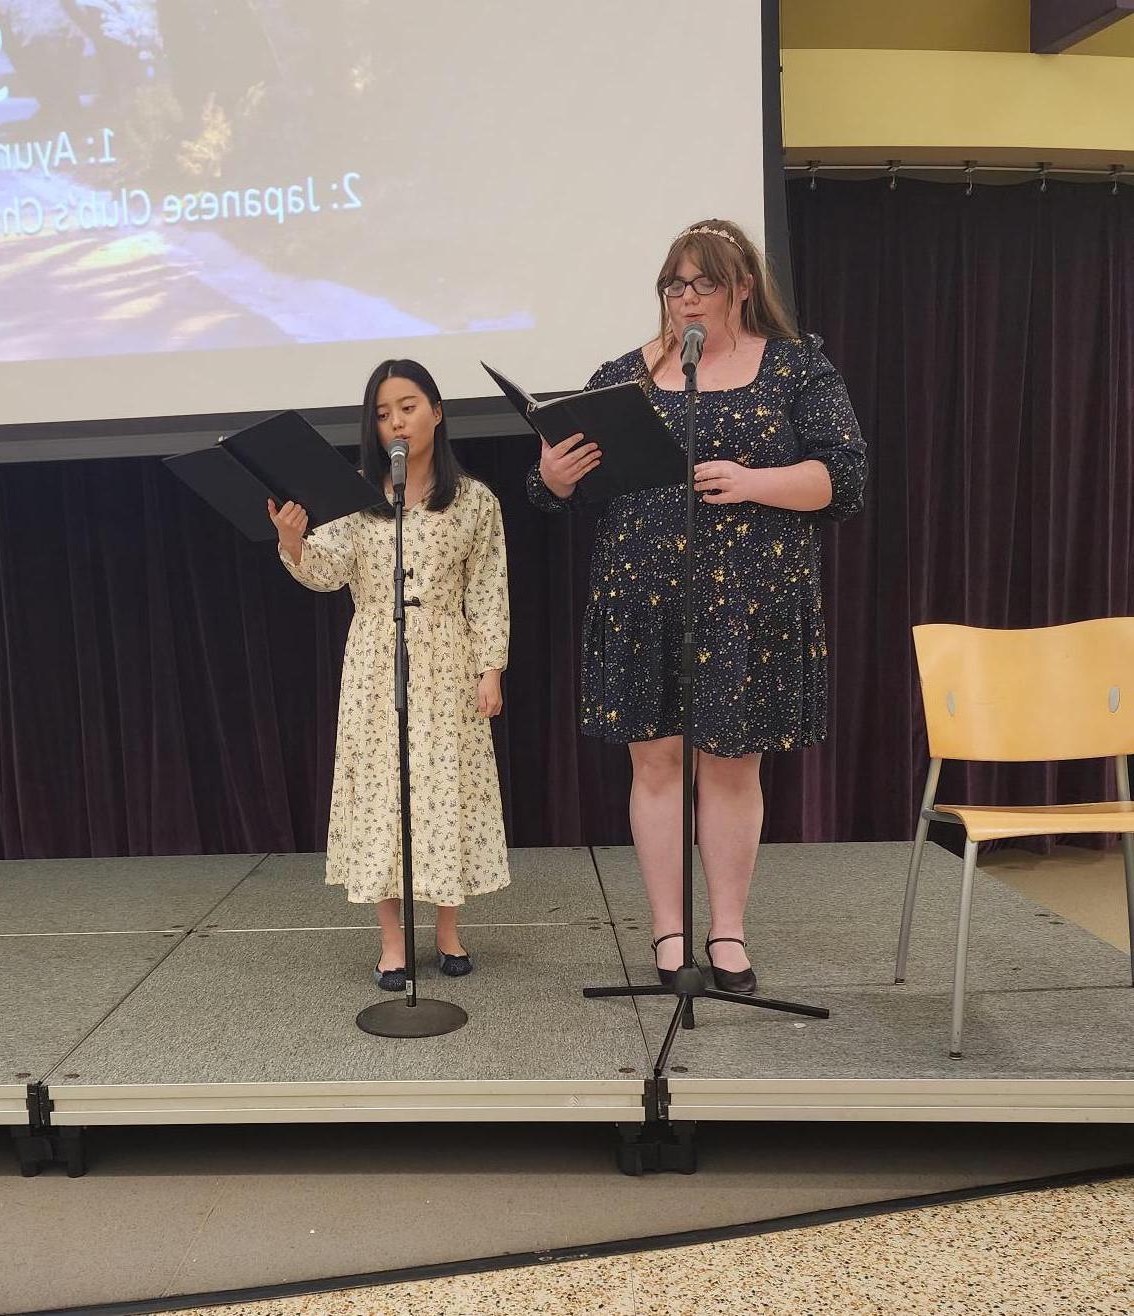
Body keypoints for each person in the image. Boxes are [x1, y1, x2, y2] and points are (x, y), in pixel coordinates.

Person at [527, 218, 866, 994]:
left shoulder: (794, 367)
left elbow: (844, 481)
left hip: (747, 601)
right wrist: (554, 477)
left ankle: (729, 933)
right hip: (642, 597)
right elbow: (551, 498)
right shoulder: (624, 374)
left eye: (701, 283)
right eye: (673, 285)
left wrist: (755, 481)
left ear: (743, 286)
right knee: (655, 764)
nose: (684, 299)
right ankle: (669, 931)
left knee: (730, 764)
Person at [269, 359, 511, 990]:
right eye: (382, 413)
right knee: (383, 794)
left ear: (436, 411)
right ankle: (392, 942)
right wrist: (294, 542)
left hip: (448, 658)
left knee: (444, 789)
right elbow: (327, 571)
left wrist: (491, 668)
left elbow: (487, 588)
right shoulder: (357, 497)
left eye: (407, 406)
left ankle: (449, 930)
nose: (396, 421)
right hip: (377, 658)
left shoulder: (475, 500)